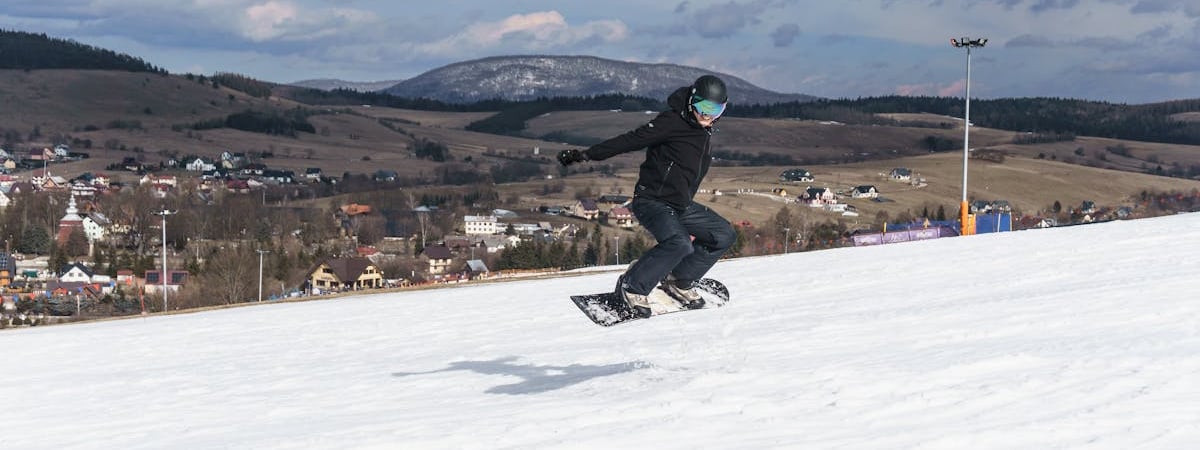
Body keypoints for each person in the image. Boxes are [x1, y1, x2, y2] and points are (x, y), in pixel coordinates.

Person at [557, 75, 736, 318]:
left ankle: (679, 280)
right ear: (692, 101)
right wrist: (585, 155)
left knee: (723, 234)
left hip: (679, 206)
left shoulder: (703, 131)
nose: (708, 115)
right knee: (679, 242)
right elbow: (630, 140)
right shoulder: (671, 122)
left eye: (716, 109)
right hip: (652, 201)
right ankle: (632, 286)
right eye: (704, 107)